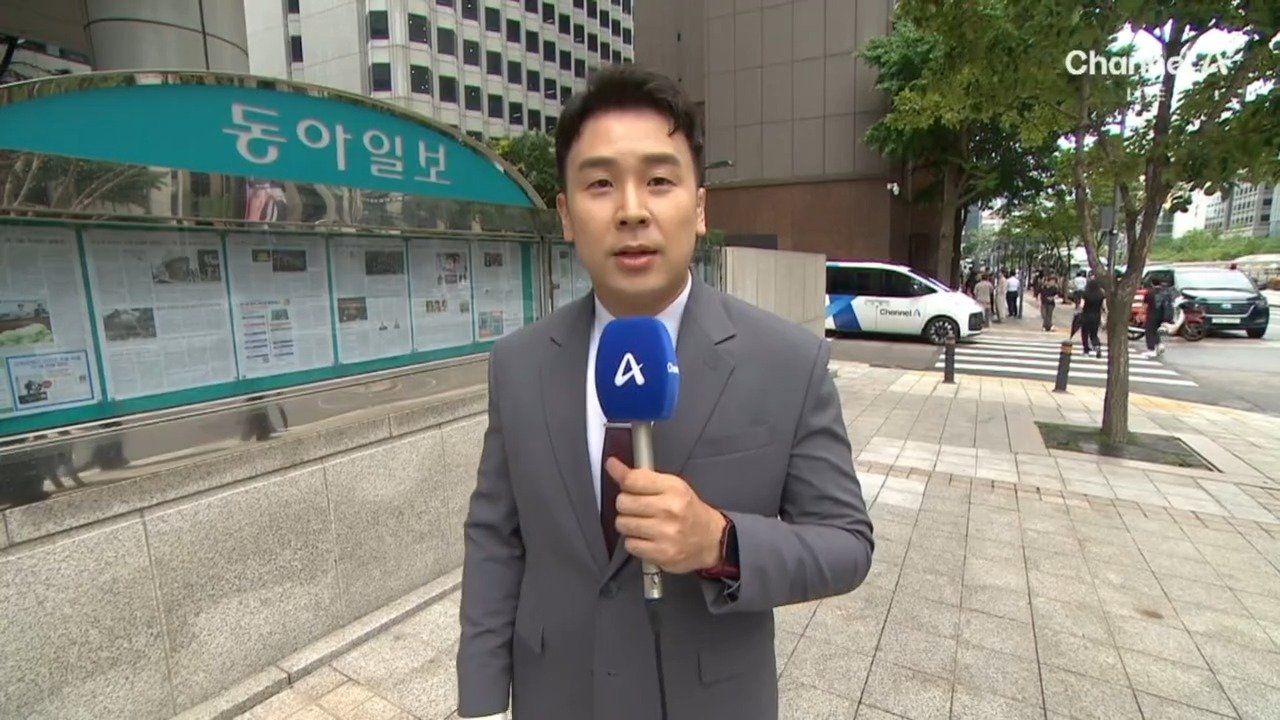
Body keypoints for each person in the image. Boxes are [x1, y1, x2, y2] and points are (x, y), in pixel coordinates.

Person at [455, 65, 875, 720]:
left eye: (658, 180)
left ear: (699, 208)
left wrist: (721, 542)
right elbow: (495, 537)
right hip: (557, 696)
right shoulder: (519, 363)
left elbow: (847, 543)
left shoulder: (788, 361)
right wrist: (480, 699)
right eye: (600, 184)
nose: (631, 210)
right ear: (566, 215)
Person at [1143, 277, 1172, 357]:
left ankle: (1151, 349)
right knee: (1155, 331)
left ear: (1152, 283)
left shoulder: (1150, 292)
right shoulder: (1165, 292)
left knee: (1149, 332)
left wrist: (1142, 314)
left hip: (1152, 315)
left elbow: (1145, 305)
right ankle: (1159, 344)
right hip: (1162, 315)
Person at [1078, 278, 1106, 358]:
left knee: (1085, 333)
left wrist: (1078, 312)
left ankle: (1086, 351)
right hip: (1096, 316)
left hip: (1086, 315)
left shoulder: (1085, 293)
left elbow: (1081, 305)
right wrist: (1105, 316)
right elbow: (1104, 306)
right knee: (1094, 334)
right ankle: (1097, 346)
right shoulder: (1101, 294)